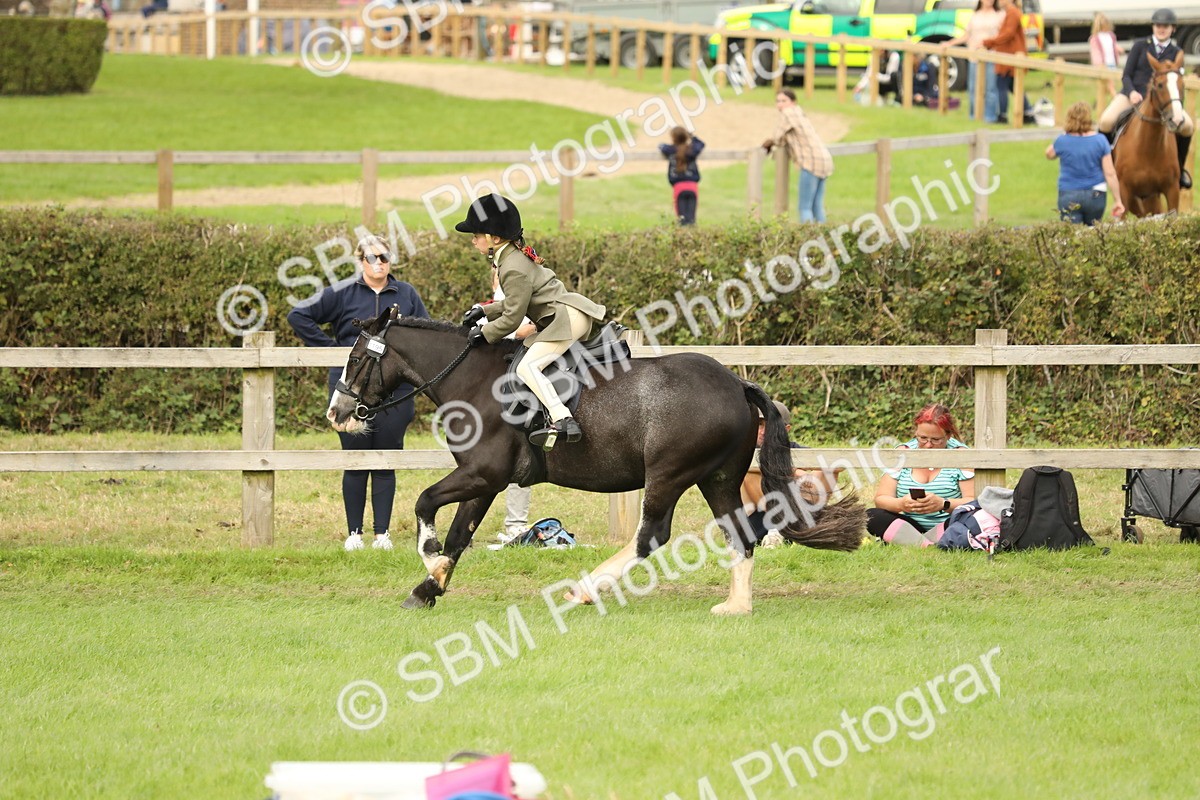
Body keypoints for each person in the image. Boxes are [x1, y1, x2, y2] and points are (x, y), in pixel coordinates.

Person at [287, 235, 429, 551]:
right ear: (360, 261)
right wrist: (333, 351)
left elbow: (425, 331)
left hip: (395, 392)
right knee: (355, 460)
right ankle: (355, 534)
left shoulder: (405, 294)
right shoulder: (341, 293)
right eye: (372, 258)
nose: (380, 263)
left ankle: (382, 535)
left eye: (385, 257)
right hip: (349, 390)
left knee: (385, 459)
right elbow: (298, 315)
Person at [457, 194, 607, 449]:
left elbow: (514, 317)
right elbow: (517, 302)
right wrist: (485, 312)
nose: (473, 240)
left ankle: (563, 419)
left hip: (565, 318)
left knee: (527, 368)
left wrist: (484, 332)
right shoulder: (511, 257)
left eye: (476, 235)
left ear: (495, 238)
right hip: (565, 314)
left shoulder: (511, 267)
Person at [1097, 8, 1193, 189]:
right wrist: (1131, 91)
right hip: (1133, 95)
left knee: (1188, 127)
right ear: (1153, 27)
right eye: (1158, 25)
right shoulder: (1140, 46)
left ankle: (1179, 169)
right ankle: (1104, 167)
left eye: (1165, 26)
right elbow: (1126, 75)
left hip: (1163, 102)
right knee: (1105, 121)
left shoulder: (1176, 52)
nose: (1161, 29)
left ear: (1173, 29)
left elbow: (1177, 84)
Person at [867, 403, 976, 547]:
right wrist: (901, 504)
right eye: (923, 438)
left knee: (973, 518)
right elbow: (881, 499)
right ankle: (928, 545)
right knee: (870, 515)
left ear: (948, 435)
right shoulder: (902, 452)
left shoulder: (961, 455)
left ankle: (913, 542)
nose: (928, 445)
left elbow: (972, 502)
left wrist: (943, 504)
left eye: (936, 440)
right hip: (910, 525)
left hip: (947, 524)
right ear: (915, 433)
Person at [740, 401, 843, 548]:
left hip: (794, 514)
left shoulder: (794, 450)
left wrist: (807, 479)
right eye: (760, 424)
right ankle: (780, 528)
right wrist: (794, 472)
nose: (763, 431)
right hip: (759, 521)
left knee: (827, 469)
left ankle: (808, 522)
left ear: (786, 429)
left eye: (770, 426)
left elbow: (837, 466)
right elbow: (748, 464)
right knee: (750, 472)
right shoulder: (745, 449)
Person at [489, 268, 538, 541]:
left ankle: (516, 523)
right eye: (496, 273)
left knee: (521, 449)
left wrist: (518, 330)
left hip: (519, 383)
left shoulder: (527, 298)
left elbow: (530, 327)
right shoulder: (486, 306)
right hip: (488, 387)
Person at [1046, 102, 1126, 224]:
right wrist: (1118, 200)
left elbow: (1049, 154)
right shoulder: (1100, 140)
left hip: (1069, 193)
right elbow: (1110, 173)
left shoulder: (1062, 140)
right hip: (1096, 195)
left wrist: (1064, 134)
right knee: (1093, 235)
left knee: (1071, 237)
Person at [762, 89, 834, 223]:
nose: (780, 105)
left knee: (805, 207)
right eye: (778, 101)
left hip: (810, 162)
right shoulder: (800, 113)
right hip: (824, 160)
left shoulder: (789, 113)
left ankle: (808, 238)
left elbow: (777, 136)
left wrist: (768, 143)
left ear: (793, 102)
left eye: (784, 101)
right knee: (817, 206)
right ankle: (824, 237)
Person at [946, 0, 1003, 123]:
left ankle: (990, 117)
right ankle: (973, 115)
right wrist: (950, 43)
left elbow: (1001, 37)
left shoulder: (998, 15)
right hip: (974, 56)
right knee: (973, 87)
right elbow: (966, 35)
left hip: (990, 55)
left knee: (990, 88)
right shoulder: (975, 15)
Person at [983, 0, 1033, 125]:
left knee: (1002, 86)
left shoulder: (1013, 13)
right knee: (1013, 86)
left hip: (1010, 57)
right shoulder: (1009, 12)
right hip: (1009, 55)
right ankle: (1028, 113)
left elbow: (1008, 34)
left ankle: (1003, 115)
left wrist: (990, 42)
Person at [658, 126, 705, 226]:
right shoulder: (691, 150)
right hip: (692, 186)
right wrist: (692, 136)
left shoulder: (671, 150)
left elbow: (661, 146)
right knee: (691, 219)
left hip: (678, 187)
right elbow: (701, 144)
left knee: (681, 219)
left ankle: (682, 238)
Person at [1090, 13, 1124, 98]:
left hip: (1111, 62)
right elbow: (1096, 52)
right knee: (1110, 84)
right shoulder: (1095, 38)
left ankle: (1101, 101)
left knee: (1108, 85)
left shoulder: (1111, 36)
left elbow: (1112, 46)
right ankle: (1115, 98)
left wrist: (1118, 49)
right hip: (1103, 65)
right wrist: (1099, 64)